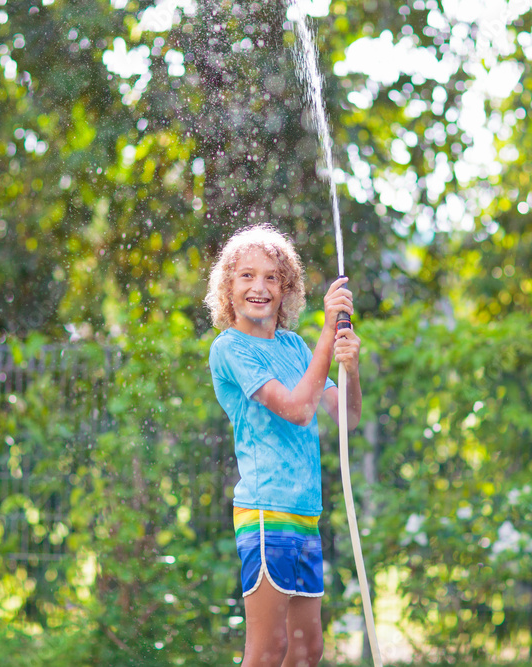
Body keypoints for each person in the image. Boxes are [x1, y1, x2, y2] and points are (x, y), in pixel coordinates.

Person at [205, 224, 362, 667]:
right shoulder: (230, 349)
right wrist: (328, 336)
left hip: (303, 513)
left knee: (307, 650)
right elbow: (296, 408)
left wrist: (351, 366)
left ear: (286, 288)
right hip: (265, 510)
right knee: (268, 650)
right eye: (247, 276)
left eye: (272, 277)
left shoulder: (294, 346)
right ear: (228, 288)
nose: (259, 287)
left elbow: (347, 417)